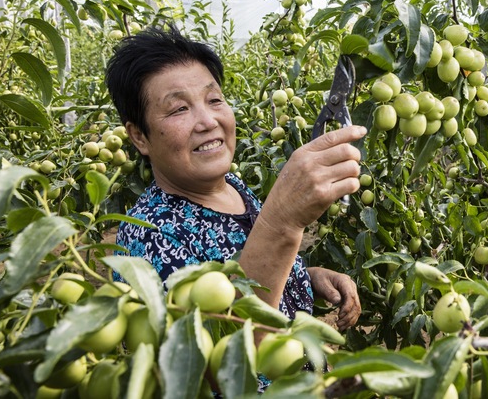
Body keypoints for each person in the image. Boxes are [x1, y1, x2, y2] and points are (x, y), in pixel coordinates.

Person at [105, 27, 364, 332]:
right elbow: (211, 364)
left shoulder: (232, 187)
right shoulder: (147, 238)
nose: (208, 121)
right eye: (179, 109)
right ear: (139, 136)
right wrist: (281, 222)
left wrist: (306, 277)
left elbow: (247, 271)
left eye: (214, 100)